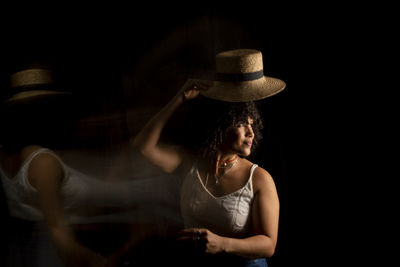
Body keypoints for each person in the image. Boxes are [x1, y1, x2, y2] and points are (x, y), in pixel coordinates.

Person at [132, 49, 286, 267]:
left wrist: (222, 243)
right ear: (221, 125)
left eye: (252, 124)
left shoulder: (259, 179)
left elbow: (268, 245)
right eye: (243, 124)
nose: (251, 133)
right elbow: (142, 147)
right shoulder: (189, 164)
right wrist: (179, 98)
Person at [0, 66, 108, 266]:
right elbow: (60, 238)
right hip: (45, 253)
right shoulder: (42, 162)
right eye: (50, 106)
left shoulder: (5, 153)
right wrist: (99, 262)